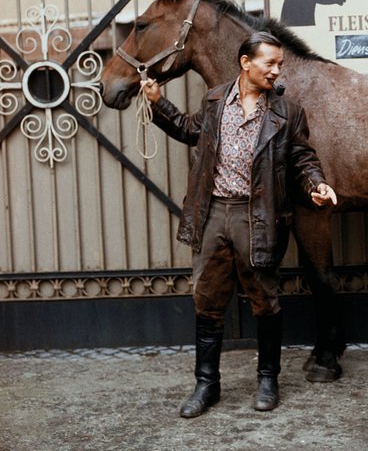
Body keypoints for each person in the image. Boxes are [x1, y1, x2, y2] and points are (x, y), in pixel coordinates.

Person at [141, 31, 337, 417]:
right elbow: (188, 130)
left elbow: (303, 159)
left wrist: (316, 184)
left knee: (265, 300)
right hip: (213, 213)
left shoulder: (287, 111)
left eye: (280, 64)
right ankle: (206, 384)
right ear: (246, 63)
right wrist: (158, 102)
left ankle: (268, 380)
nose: (276, 71)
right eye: (270, 63)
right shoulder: (215, 101)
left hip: (257, 216)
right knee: (207, 300)